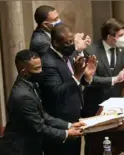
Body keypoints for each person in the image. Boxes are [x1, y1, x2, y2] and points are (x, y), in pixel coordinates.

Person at [0, 49, 85, 155]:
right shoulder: (23, 96)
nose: (41, 71)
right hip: (19, 150)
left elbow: (43, 115)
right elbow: (39, 128)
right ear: (24, 72)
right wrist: (66, 133)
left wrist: (69, 125)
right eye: (37, 68)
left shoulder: (31, 84)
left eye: (41, 67)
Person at [40, 24, 97, 155]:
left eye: (72, 41)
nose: (71, 45)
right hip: (60, 122)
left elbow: (77, 82)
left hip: (74, 117)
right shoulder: (48, 62)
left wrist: (87, 76)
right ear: (55, 42)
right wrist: (77, 75)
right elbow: (56, 92)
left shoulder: (69, 55)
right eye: (67, 42)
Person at [83, 18, 124, 117]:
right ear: (109, 36)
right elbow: (89, 80)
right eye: (121, 35)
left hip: (117, 102)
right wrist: (114, 79)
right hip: (96, 104)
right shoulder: (90, 51)